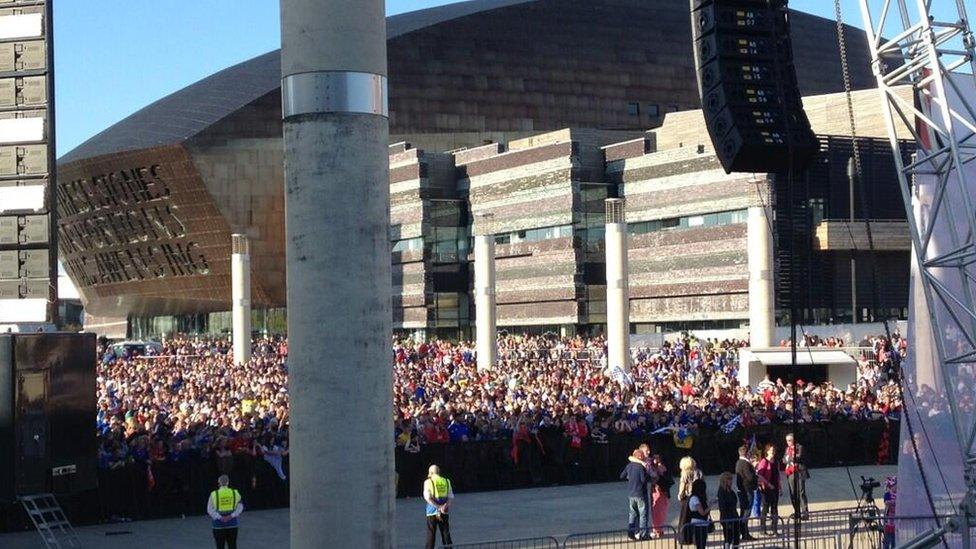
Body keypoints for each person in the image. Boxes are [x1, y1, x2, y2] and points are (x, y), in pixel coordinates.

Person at [207, 474, 243, 549]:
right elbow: (240, 507)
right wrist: (232, 515)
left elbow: (209, 509)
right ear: (228, 482)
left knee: (220, 546)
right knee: (232, 545)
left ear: (218, 483)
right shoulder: (235, 493)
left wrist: (220, 517)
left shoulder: (214, 494)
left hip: (218, 525)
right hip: (232, 523)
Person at [621, 448, 650, 540]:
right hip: (641, 493)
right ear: (640, 457)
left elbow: (622, 476)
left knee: (632, 514)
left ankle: (630, 534)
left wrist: (630, 477)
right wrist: (647, 473)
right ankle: (643, 534)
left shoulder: (629, 466)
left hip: (631, 494)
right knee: (643, 515)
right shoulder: (641, 467)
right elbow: (643, 480)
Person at [424, 464, 454, 549]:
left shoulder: (428, 482)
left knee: (431, 535)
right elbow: (451, 497)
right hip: (444, 511)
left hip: (431, 512)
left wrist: (438, 507)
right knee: (446, 534)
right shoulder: (446, 481)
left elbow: (427, 498)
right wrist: (444, 506)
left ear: (431, 472)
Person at [678, 456, 704, 545]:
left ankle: (685, 539)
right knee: (695, 518)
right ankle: (696, 539)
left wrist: (680, 496)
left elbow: (682, 485)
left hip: (687, 497)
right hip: (698, 496)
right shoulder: (699, 472)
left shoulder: (685, 473)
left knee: (685, 519)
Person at [734, 444, 757, 541]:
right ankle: (744, 533)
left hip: (742, 490)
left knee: (744, 511)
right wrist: (754, 469)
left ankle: (742, 532)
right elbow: (750, 477)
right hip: (747, 490)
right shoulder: (745, 463)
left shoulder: (739, 462)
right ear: (747, 453)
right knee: (746, 512)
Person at [756, 445, 781, 535]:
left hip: (775, 488)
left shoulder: (776, 462)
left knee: (775, 508)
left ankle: (774, 529)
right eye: (771, 450)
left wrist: (780, 487)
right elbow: (759, 475)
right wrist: (768, 484)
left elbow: (778, 476)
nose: (773, 452)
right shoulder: (764, 461)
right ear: (767, 451)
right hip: (766, 489)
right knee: (765, 509)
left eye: (774, 450)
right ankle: (763, 529)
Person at [783, 433, 809, 518]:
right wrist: (787, 459)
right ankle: (797, 512)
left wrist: (789, 458)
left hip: (799, 471)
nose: (788, 442)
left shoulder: (799, 447)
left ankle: (805, 513)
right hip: (790, 472)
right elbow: (783, 459)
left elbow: (798, 456)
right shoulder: (787, 449)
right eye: (787, 441)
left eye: (790, 440)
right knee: (793, 493)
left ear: (794, 440)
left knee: (801, 493)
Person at [650, 453, 672, 538]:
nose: (656, 459)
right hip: (656, 491)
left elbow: (666, 478)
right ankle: (656, 529)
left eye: (657, 458)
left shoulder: (662, 467)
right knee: (656, 511)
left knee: (662, 511)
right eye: (654, 458)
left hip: (663, 491)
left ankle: (660, 529)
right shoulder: (652, 468)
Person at [717, 472, 741, 548]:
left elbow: (734, 501)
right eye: (729, 479)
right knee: (728, 538)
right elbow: (722, 507)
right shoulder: (721, 491)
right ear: (724, 480)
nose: (731, 481)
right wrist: (726, 519)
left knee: (736, 536)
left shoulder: (731, 491)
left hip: (734, 516)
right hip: (727, 518)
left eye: (731, 479)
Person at [688, 478, 712, 549]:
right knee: (700, 544)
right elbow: (702, 512)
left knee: (702, 544)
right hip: (698, 524)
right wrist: (710, 506)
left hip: (703, 523)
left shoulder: (699, 498)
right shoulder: (695, 499)